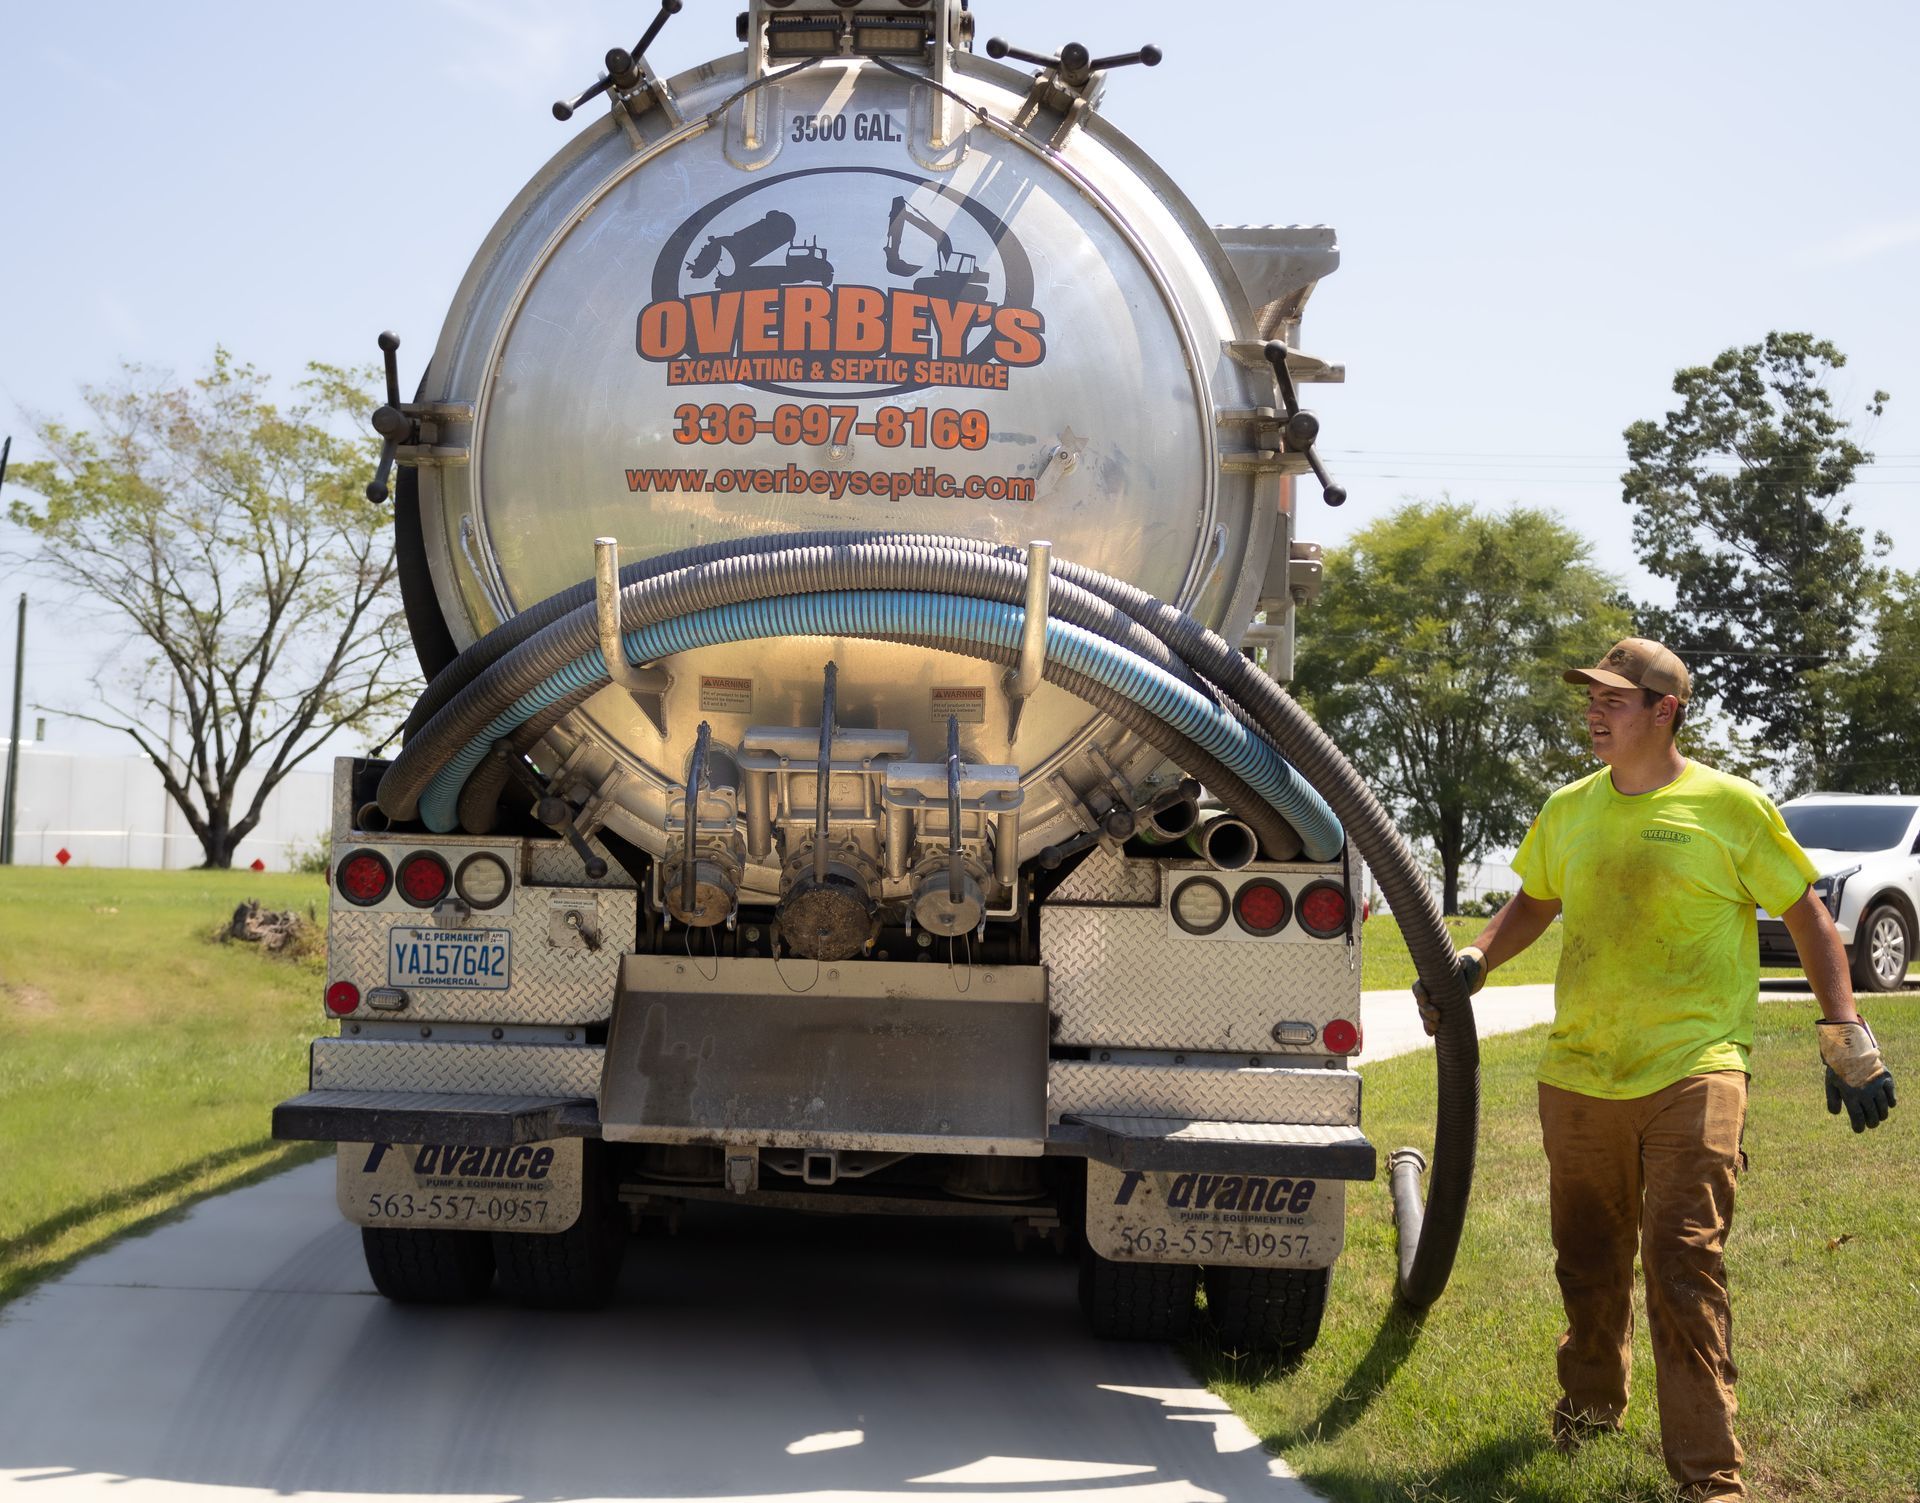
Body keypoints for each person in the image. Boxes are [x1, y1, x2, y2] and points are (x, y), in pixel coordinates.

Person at [1414, 637, 1897, 1503]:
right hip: (1582, 1071)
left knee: (1682, 1259)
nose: (1594, 712)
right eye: (1590, 698)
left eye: (1615, 699)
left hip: (1696, 1066)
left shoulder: (1730, 805)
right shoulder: (1570, 808)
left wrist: (1845, 1030)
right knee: (1587, 1259)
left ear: (1664, 709)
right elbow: (1536, 899)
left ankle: (1709, 1476)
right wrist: (1477, 959)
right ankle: (1592, 1414)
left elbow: (1811, 917)